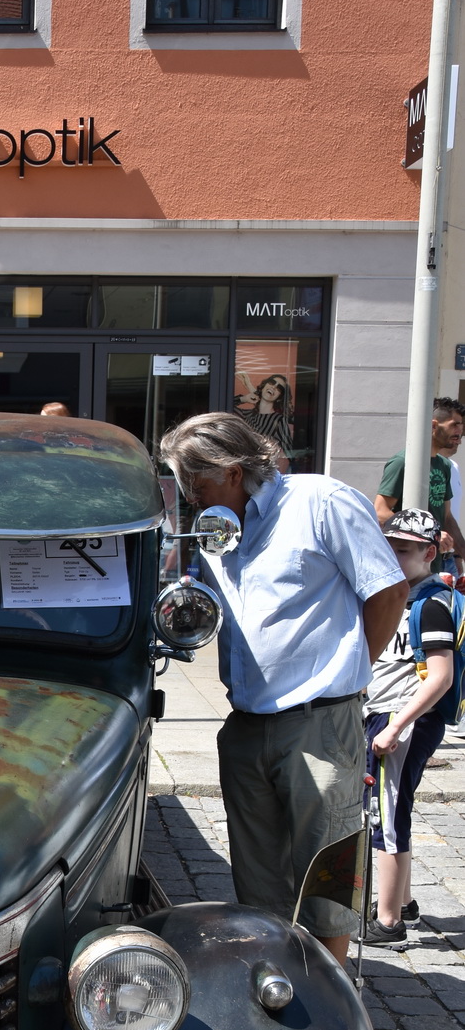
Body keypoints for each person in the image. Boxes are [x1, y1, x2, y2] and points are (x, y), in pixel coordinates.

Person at [160, 412, 408, 967]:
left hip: (320, 722)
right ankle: (274, 989)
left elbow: (388, 592)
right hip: (248, 724)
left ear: (229, 470)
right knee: (259, 884)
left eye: (195, 484)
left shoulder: (319, 501)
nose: (190, 497)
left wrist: (351, 674)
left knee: (328, 878)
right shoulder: (220, 524)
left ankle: (333, 1002)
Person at [362, 510, 456, 947]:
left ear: (429, 553)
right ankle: (404, 903)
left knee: (387, 818)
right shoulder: (398, 595)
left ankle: (387, 923)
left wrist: (396, 726)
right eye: (389, 547)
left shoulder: (429, 604)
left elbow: (441, 676)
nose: (394, 556)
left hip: (403, 720)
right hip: (385, 715)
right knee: (393, 810)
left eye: (404, 550)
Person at [375, 398, 465, 558]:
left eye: (461, 425)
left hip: (435, 563)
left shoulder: (444, 465)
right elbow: (380, 512)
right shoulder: (402, 462)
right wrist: (430, 534)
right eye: (454, 425)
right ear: (433, 426)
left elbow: (447, 517)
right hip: (406, 564)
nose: (459, 431)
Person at [234, 371, 293, 454]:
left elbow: (288, 452)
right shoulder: (246, 414)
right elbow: (220, 406)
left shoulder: (278, 420)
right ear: (264, 386)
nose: (274, 387)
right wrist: (244, 399)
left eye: (279, 388)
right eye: (272, 382)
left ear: (279, 397)